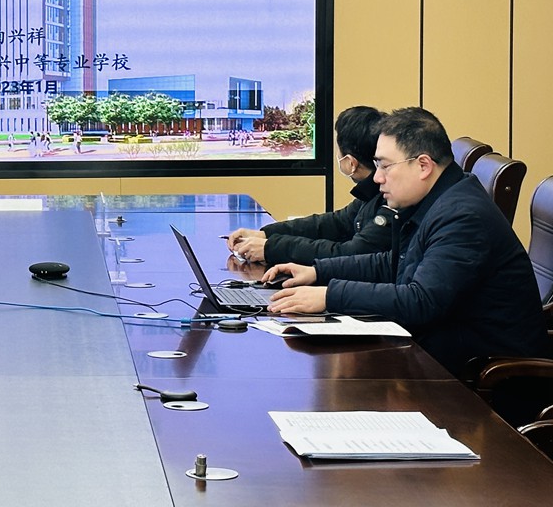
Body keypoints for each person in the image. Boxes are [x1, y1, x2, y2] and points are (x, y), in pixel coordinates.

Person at [262, 107, 549, 375]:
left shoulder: (462, 216)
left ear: (423, 165)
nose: (377, 178)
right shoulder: (435, 199)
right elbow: (393, 263)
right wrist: (317, 272)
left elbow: (420, 301)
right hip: (442, 353)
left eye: (385, 166)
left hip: (483, 377)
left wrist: (329, 296)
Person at [228, 106, 391, 265]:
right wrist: (266, 234)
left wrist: (273, 248)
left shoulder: (389, 200)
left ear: (351, 163)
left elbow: (351, 254)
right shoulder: (369, 194)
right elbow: (334, 223)